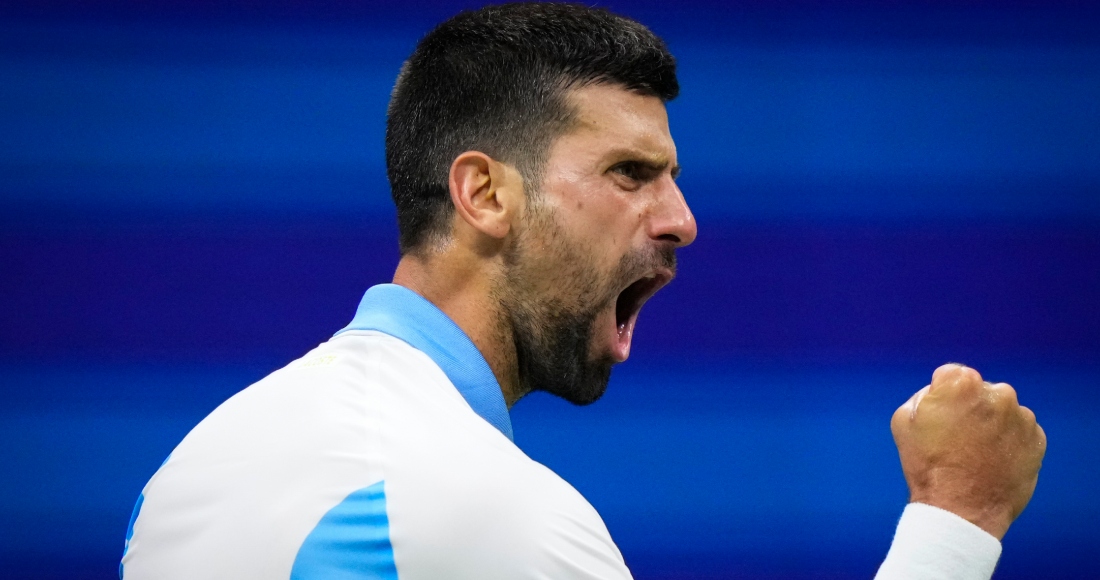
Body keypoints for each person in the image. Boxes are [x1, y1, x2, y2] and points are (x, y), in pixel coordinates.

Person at [119, 3, 1047, 579]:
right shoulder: (491, 513)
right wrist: (955, 519)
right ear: (484, 193)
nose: (683, 219)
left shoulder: (190, 472)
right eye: (630, 173)